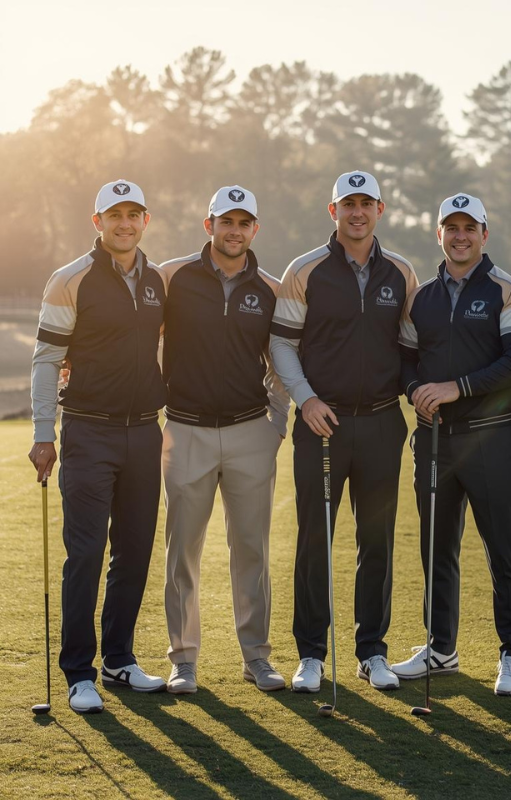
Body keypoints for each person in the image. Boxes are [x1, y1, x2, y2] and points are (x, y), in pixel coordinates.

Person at [269, 170, 418, 693]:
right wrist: (305, 399)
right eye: (347, 204)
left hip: (381, 422)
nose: (357, 212)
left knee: (376, 541)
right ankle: (311, 654)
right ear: (333, 212)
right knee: (315, 541)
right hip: (321, 423)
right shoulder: (304, 270)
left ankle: (372, 651)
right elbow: (282, 344)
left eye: (366, 203)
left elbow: (409, 346)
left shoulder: (401, 272)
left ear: (380, 209)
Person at [29, 180, 167, 713]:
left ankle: (119, 660)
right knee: (86, 553)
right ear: (98, 222)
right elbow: (46, 360)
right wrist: (45, 433)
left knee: (133, 552)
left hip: (144, 432)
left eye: (134, 214)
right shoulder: (72, 280)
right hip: (87, 431)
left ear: (145, 220)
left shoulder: (157, 281)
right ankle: (79, 672)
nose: (125, 224)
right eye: (115, 215)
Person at [393, 193, 511, 696]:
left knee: (503, 551)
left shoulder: (508, 290)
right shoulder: (421, 297)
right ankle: (440, 648)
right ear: (439, 234)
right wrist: (414, 391)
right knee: (437, 550)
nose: (460, 236)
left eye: (469, 228)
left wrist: (458, 388)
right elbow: (406, 361)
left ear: (484, 234)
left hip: (489, 440)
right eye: (450, 227)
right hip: (433, 442)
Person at [159, 186, 290, 695]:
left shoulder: (272, 288)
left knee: (251, 548)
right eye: (225, 221)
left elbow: (282, 365)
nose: (234, 231)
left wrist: (276, 424)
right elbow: (140, 337)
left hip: (249, 431)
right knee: (182, 551)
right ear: (208, 224)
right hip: (186, 430)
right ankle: (183, 659)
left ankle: (256, 656)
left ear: (254, 229)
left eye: (244, 223)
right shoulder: (172, 278)